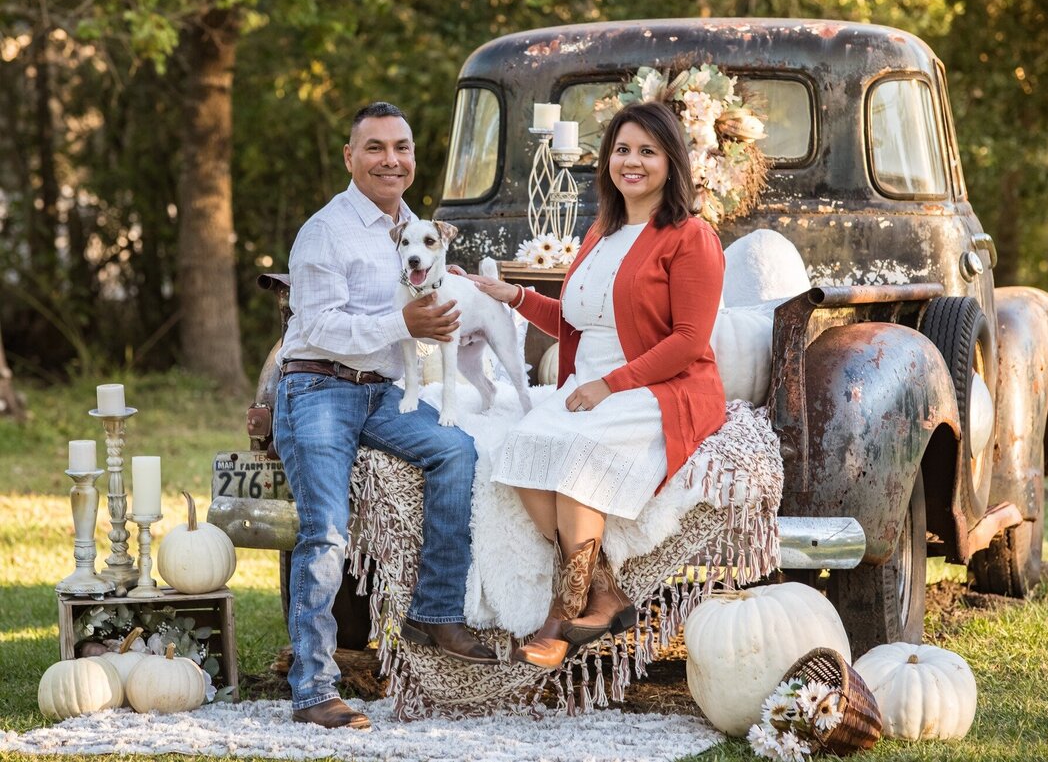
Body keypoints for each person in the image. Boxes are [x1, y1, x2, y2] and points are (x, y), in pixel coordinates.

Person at [470, 101, 726, 668]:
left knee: (577, 456)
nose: (631, 162)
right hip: (592, 384)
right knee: (520, 450)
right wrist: (512, 297)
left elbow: (688, 339)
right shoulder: (600, 232)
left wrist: (611, 385)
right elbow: (577, 319)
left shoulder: (690, 236)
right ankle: (606, 593)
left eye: (647, 152)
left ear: (672, 162)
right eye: (621, 150)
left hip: (661, 388)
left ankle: (560, 617)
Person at [275, 102, 497, 730]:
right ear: (351, 157)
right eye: (374, 147)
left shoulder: (415, 231)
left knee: (456, 450)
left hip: (383, 392)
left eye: (401, 147)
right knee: (325, 531)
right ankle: (313, 688)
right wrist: (402, 322)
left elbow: (427, 310)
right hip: (317, 388)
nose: (390, 159)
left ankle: (433, 614)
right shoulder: (326, 230)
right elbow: (317, 324)